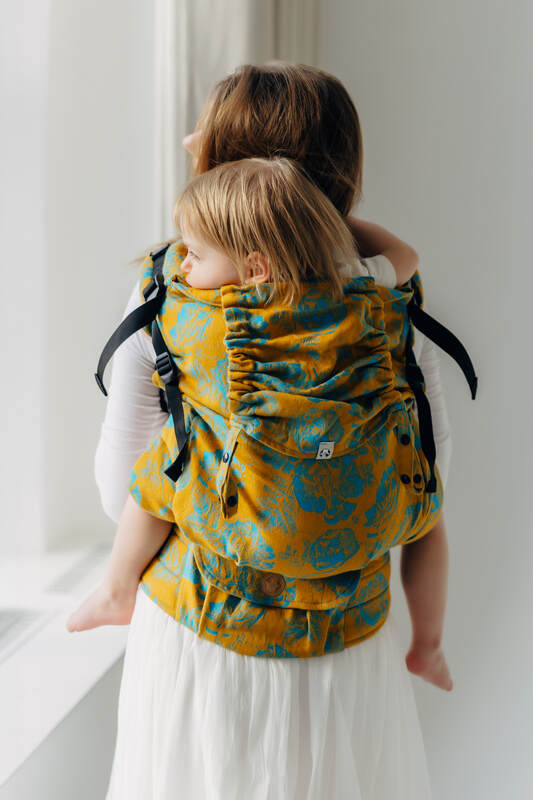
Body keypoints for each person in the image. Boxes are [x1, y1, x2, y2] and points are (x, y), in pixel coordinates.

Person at [90, 63, 454, 799]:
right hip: (347, 652)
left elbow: (117, 487)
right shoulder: (385, 296)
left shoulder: (175, 294)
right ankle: (429, 645)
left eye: (205, 137)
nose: (189, 145)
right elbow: (427, 471)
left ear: (225, 162)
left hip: (202, 644)